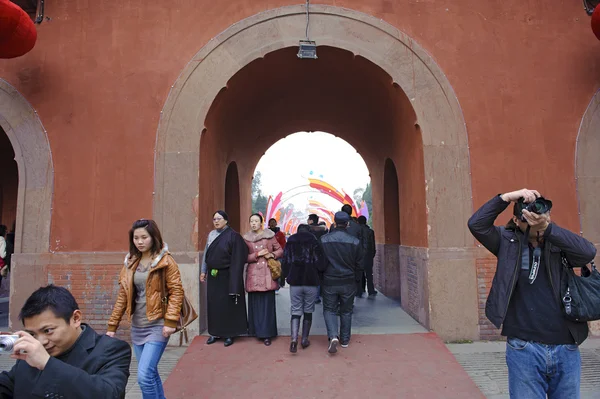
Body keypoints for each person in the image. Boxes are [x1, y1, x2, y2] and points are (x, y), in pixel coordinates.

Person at [468, 188, 597, 399]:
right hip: (523, 348)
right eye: (529, 217)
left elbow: (588, 252)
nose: (536, 220)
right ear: (517, 221)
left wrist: (548, 229)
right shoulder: (506, 242)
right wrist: (506, 198)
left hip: (565, 347)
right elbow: (476, 224)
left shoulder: (559, 241)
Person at [0, 285, 131, 398]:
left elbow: (108, 394)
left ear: (76, 318)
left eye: (48, 331)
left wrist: (47, 363)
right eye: (32, 334)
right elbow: (7, 386)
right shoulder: (28, 355)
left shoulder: (112, 350)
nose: (41, 342)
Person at [107, 219, 184, 399]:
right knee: (150, 374)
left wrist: (171, 321)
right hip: (137, 326)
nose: (140, 242)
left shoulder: (165, 261)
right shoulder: (130, 263)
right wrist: (112, 326)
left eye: (144, 237)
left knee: (143, 376)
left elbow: (176, 291)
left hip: (158, 324)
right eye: (136, 238)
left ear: (153, 237)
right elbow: (123, 296)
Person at [200, 210, 248, 347]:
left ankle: (229, 334)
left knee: (227, 305)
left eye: (219, 218)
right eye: (214, 219)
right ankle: (214, 333)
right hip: (214, 276)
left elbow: (238, 259)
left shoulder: (233, 236)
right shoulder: (211, 235)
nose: (216, 221)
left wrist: (235, 278)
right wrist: (203, 271)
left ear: (226, 220)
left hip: (228, 276)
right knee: (213, 304)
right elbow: (206, 254)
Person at [320, 211, 364, 354]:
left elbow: (320, 263)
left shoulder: (324, 240)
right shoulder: (355, 242)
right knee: (346, 310)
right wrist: (356, 280)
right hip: (348, 280)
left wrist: (322, 275)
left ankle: (333, 336)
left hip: (330, 280)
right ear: (348, 224)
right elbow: (360, 264)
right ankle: (345, 340)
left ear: (334, 222)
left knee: (329, 309)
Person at [282, 224, 326, 353]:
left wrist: (286, 275)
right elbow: (320, 263)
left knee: (295, 310)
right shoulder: (314, 241)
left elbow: (285, 261)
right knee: (308, 310)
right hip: (311, 281)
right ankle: (305, 339)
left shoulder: (291, 241)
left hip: (295, 281)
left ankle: (294, 339)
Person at [243, 213, 283, 346]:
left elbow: (280, 250)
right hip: (253, 273)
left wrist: (271, 254)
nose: (253, 223)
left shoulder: (270, 235)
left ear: (261, 222)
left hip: (267, 272)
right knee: (255, 303)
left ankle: (267, 334)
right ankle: (254, 331)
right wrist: (256, 255)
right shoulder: (246, 238)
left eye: (256, 221)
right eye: (251, 221)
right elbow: (243, 257)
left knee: (267, 305)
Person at [357, 216, 377, 297]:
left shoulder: (356, 231)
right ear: (365, 222)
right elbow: (372, 245)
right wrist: (372, 254)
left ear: (358, 222)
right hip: (368, 255)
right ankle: (371, 290)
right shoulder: (370, 231)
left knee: (359, 274)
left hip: (359, 255)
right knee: (369, 274)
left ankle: (359, 291)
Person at [268, 218, 287, 289]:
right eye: (271, 222)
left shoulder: (280, 234)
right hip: (269, 255)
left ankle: (278, 284)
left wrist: (277, 251)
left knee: (279, 270)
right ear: (269, 224)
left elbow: (283, 244)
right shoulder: (266, 233)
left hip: (279, 255)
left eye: (274, 222)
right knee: (270, 270)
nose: (272, 224)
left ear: (276, 224)